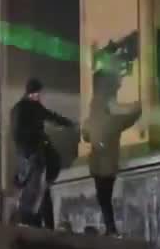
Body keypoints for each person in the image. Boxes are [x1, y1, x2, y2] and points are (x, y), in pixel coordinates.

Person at [81, 72, 141, 236]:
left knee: (103, 198)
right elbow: (125, 117)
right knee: (105, 197)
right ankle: (111, 229)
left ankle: (111, 229)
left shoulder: (96, 106)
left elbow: (86, 132)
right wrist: (137, 108)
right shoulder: (108, 108)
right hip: (107, 162)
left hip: (99, 162)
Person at [11, 79, 74, 227]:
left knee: (41, 187)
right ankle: (28, 219)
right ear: (29, 93)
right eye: (35, 94)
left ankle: (42, 221)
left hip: (37, 153)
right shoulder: (20, 109)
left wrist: (68, 123)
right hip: (29, 154)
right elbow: (16, 133)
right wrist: (26, 152)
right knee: (33, 188)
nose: (38, 96)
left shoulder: (36, 107)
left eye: (39, 93)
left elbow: (51, 116)